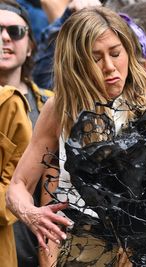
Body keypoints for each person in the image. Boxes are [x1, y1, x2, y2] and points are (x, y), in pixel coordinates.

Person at [6, 6, 146, 266]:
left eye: (115, 53)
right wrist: (30, 213)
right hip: (86, 245)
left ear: (129, 51)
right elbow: (18, 186)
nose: (109, 67)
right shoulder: (61, 108)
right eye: (96, 58)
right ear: (76, 64)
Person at [0, 1, 54, 266]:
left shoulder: (52, 105)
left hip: (39, 250)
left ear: (31, 44)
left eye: (16, 31)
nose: (5, 38)